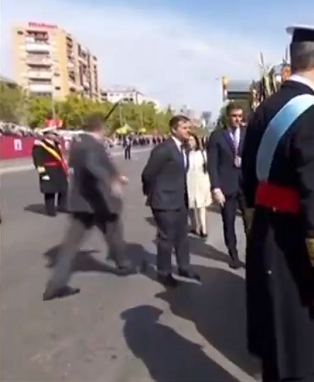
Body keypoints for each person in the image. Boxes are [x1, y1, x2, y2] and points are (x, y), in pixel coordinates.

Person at [241, 25, 314, 382]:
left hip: (265, 239)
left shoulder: (263, 110)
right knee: (305, 361)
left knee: (277, 358)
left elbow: (250, 185)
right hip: (297, 256)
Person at [43, 113, 136, 301]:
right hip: (100, 201)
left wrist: (116, 176)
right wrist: (111, 181)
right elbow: (94, 165)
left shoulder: (77, 143)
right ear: (101, 128)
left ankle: (55, 285)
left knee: (70, 245)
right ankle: (124, 265)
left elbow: (83, 166)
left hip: (81, 202)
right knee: (114, 232)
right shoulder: (93, 145)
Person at [141, 115, 200, 288]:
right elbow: (148, 174)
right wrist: (153, 193)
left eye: (189, 128)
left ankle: (184, 266)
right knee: (166, 239)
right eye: (184, 128)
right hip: (164, 201)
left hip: (180, 200)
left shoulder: (183, 148)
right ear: (174, 130)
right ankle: (164, 272)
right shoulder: (164, 149)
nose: (188, 131)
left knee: (182, 237)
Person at [207, 102, 247, 268]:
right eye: (234, 116)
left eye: (239, 116)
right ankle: (234, 255)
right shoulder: (217, 136)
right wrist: (216, 187)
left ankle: (252, 256)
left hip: (245, 186)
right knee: (228, 222)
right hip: (226, 187)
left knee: (250, 223)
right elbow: (212, 164)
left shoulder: (247, 133)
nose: (237, 119)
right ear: (227, 116)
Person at [32, 127, 69, 216]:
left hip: (59, 170)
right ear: (47, 135)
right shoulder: (39, 146)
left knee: (64, 189)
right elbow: (38, 161)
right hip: (48, 170)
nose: (56, 136)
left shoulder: (56, 145)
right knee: (50, 191)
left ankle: (62, 206)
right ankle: (50, 210)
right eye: (54, 134)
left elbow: (61, 158)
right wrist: (42, 173)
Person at [186, 133, 212, 239]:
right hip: (190, 181)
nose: (190, 142)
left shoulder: (203, 153)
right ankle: (194, 226)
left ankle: (204, 229)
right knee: (191, 206)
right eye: (188, 140)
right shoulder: (185, 153)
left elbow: (208, 168)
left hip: (202, 181)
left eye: (192, 140)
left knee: (201, 206)